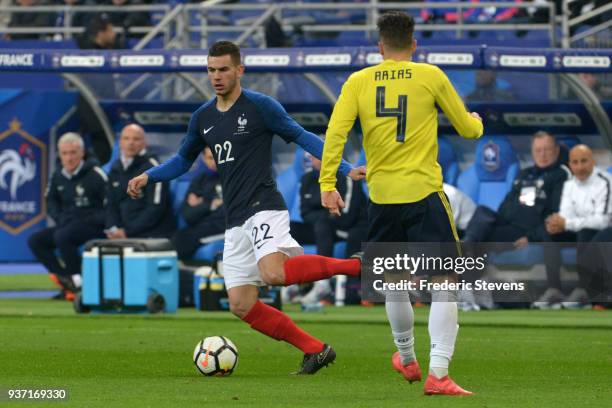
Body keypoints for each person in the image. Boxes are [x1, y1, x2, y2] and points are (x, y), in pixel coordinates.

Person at [126, 41, 365, 375]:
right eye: (211, 70)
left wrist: (344, 167)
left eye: (223, 69)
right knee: (240, 304)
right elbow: (183, 159)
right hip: (235, 217)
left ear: (240, 69)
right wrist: (148, 176)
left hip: (264, 203)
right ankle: (316, 350)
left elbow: (301, 136)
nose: (216, 76)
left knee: (273, 273)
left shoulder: (260, 106)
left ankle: (357, 268)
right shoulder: (203, 117)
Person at [319, 12, 483, 395]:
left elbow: (336, 134)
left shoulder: (358, 81)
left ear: (380, 47)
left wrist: (328, 182)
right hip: (423, 194)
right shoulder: (431, 76)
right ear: (413, 45)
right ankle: (438, 373)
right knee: (445, 282)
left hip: (381, 198)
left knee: (394, 282)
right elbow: (467, 129)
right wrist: (476, 121)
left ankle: (407, 357)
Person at [27, 132, 107, 299]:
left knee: (63, 236)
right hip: (67, 223)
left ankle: (79, 285)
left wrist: (91, 219)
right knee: (35, 240)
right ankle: (67, 282)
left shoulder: (95, 174)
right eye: (64, 153)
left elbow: (110, 206)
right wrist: (60, 218)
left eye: (73, 153)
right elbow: (50, 201)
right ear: (59, 154)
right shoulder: (58, 175)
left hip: (94, 226)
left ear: (82, 153)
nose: (69, 158)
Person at [544, 144, 612, 308]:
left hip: (604, 231)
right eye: (575, 162)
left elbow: (602, 221)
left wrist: (566, 223)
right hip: (579, 228)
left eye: (584, 161)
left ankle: (586, 291)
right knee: (550, 234)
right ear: (570, 165)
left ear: (592, 161)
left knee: (586, 235)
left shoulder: (605, 181)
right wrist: (556, 224)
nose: (580, 167)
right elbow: (565, 215)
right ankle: (554, 289)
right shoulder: (569, 185)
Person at [299, 153, 368, 305]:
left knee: (354, 235)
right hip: (327, 225)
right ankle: (294, 284)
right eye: (311, 156)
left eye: (316, 156)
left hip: (355, 224)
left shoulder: (346, 175)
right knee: (293, 229)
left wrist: (325, 218)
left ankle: (349, 290)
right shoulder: (307, 179)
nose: (312, 159)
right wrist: (325, 217)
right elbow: (305, 213)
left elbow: (348, 213)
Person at [106, 124, 175, 239]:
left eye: (136, 139)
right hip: (124, 233)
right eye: (126, 138)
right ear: (120, 143)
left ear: (145, 143)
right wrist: (113, 228)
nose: (130, 143)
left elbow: (155, 209)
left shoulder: (154, 169)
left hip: (153, 232)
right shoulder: (115, 168)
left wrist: (127, 232)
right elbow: (111, 205)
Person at [171, 147, 225, 260]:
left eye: (218, 157)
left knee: (181, 240)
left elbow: (225, 215)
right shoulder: (199, 180)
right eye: (210, 158)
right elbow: (187, 215)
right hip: (199, 227)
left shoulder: (233, 179)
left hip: (223, 229)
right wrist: (211, 204)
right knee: (177, 238)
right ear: (204, 159)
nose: (215, 162)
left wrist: (201, 205)